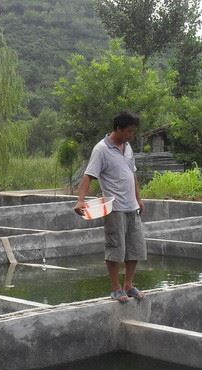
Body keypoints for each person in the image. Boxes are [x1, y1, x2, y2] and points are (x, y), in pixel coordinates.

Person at [75, 111, 147, 303]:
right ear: (118, 128)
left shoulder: (128, 147)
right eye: (129, 131)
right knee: (116, 248)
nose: (131, 135)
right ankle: (116, 288)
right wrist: (81, 200)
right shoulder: (101, 149)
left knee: (135, 248)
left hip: (132, 206)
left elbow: (132, 174)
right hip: (115, 208)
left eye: (133, 132)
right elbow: (89, 176)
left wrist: (138, 199)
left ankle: (128, 285)